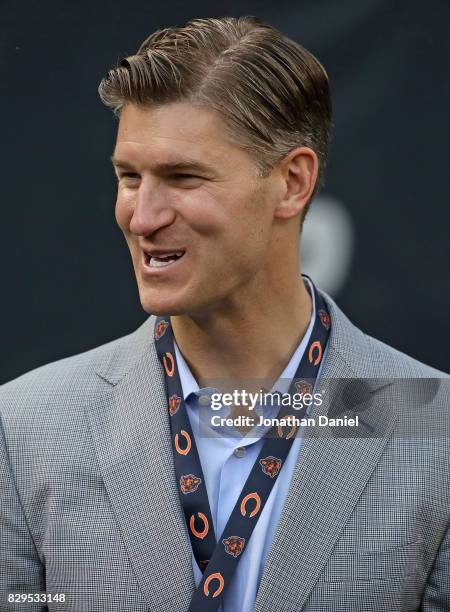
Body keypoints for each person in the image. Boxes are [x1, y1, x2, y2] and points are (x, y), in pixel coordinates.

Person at [0, 15, 448, 612]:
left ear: (293, 182)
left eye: (183, 177)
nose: (143, 216)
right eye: (129, 178)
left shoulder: (432, 425)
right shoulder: (26, 425)